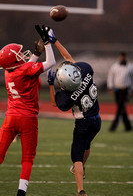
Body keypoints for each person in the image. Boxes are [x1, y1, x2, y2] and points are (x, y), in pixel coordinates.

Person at [0, 26, 56, 196]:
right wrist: (47, 43)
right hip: (28, 119)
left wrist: (35, 54)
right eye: (19, 55)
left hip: (10, 117)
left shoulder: (8, 73)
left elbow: (25, 67)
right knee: (27, 158)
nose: (22, 56)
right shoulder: (23, 70)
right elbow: (51, 62)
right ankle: (21, 193)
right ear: (14, 61)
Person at [46, 29, 101, 196]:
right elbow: (69, 58)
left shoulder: (67, 97)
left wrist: (50, 84)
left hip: (83, 123)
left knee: (76, 155)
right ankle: (82, 167)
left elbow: (55, 103)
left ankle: (80, 190)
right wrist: (55, 41)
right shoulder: (85, 70)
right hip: (97, 120)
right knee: (87, 145)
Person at [107, 52, 133, 131]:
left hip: (126, 90)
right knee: (121, 108)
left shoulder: (130, 67)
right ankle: (128, 127)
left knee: (120, 108)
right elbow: (110, 77)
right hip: (117, 90)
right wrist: (110, 87)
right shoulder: (114, 66)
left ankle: (113, 126)